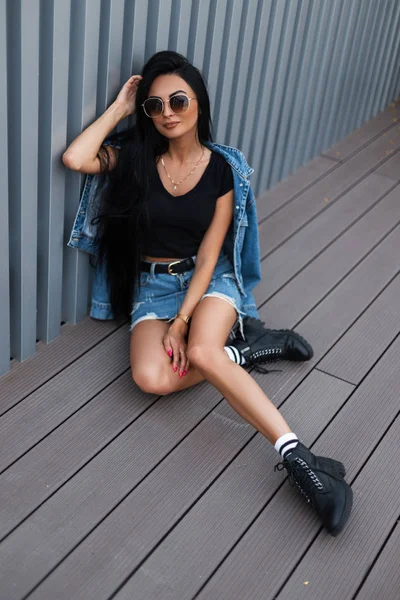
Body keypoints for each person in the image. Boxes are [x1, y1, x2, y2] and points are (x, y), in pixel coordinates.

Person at [63, 51, 352, 535]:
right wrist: (120, 109)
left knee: (198, 348)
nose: (168, 112)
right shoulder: (135, 159)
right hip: (152, 286)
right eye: (155, 106)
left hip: (208, 279)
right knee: (151, 378)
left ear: (199, 102)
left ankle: (303, 462)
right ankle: (241, 352)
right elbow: (76, 158)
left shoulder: (222, 168)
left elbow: (214, 251)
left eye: (178, 100)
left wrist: (181, 323)